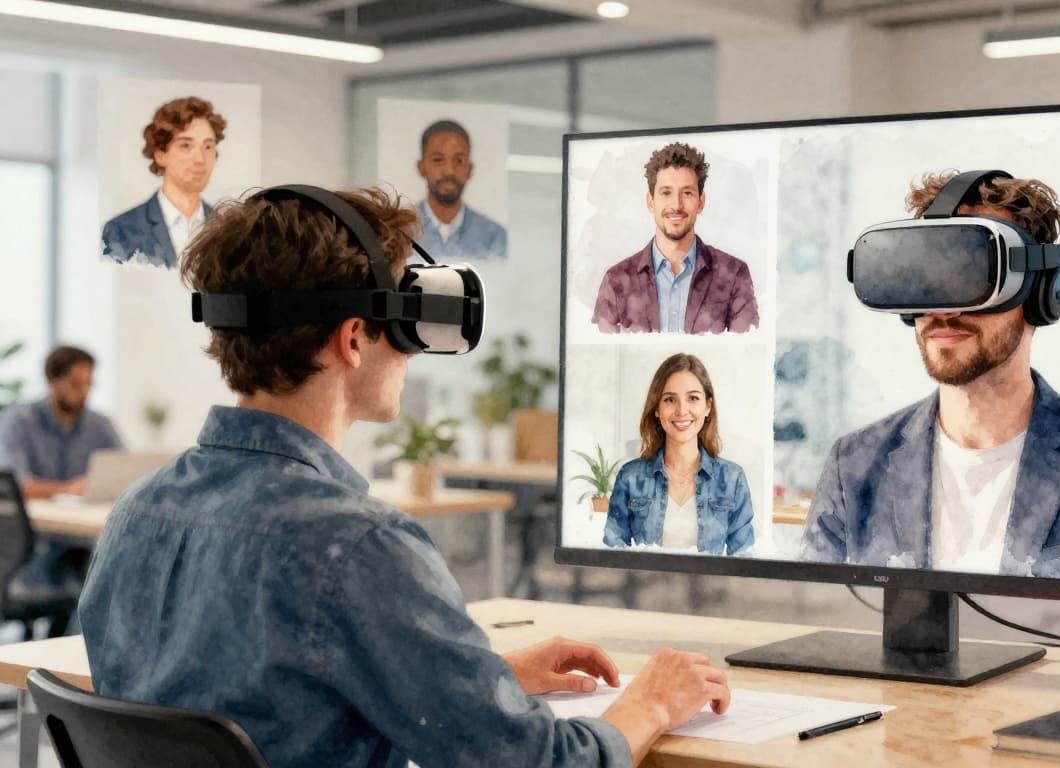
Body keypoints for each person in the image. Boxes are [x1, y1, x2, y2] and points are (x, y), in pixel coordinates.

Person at [77, 185, 729, 768]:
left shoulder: (139, 511)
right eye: (406, 316)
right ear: (354, 338)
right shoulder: (357, 543)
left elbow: (253, 695)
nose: (412, 351)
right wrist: (651, 705)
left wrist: (472, 678)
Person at [800, 171, 1060, 584]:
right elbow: (817, 630)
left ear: (1041, 293)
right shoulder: (854, 467)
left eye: (971, 274)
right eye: (925, 278)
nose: (944, 310)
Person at [0, 345, 122, 625]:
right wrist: (66, 488)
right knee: (88, 588)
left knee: (108, 571)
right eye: (76, 384)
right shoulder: (19, 421)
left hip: (81, 542)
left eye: (89, 384)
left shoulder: (98, 424)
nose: (84, 392)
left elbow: (124, 471)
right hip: (33, 550)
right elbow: (16, 484)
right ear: (53, 381)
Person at [592, 142, 759, 334]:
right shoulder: (617, 281)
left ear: (701, 202)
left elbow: (746, 351)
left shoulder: (734, 275)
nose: (676, 205)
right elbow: (602, 355)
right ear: (650, 202)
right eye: (666, 193)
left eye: (687, 193)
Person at [604, 353, 754, 555]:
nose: (682, 410)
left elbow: (743, 560)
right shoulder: (630, 477)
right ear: (656, 408)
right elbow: (612, 556)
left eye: (693, 398)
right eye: (669, 400)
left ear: (708, 406)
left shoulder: (732, 479)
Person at [102, 96, 226, 269]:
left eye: (208, 147)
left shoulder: (228, 231)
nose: (200, 159)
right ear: (160, 155)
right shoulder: (123, 230)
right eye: (186, 146)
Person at [414, 119, 507, 261]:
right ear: (421, 167)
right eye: (438, 160)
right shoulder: (399, 231)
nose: (449, 171)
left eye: (459, 160)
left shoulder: (494, 236)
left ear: (470, 169)